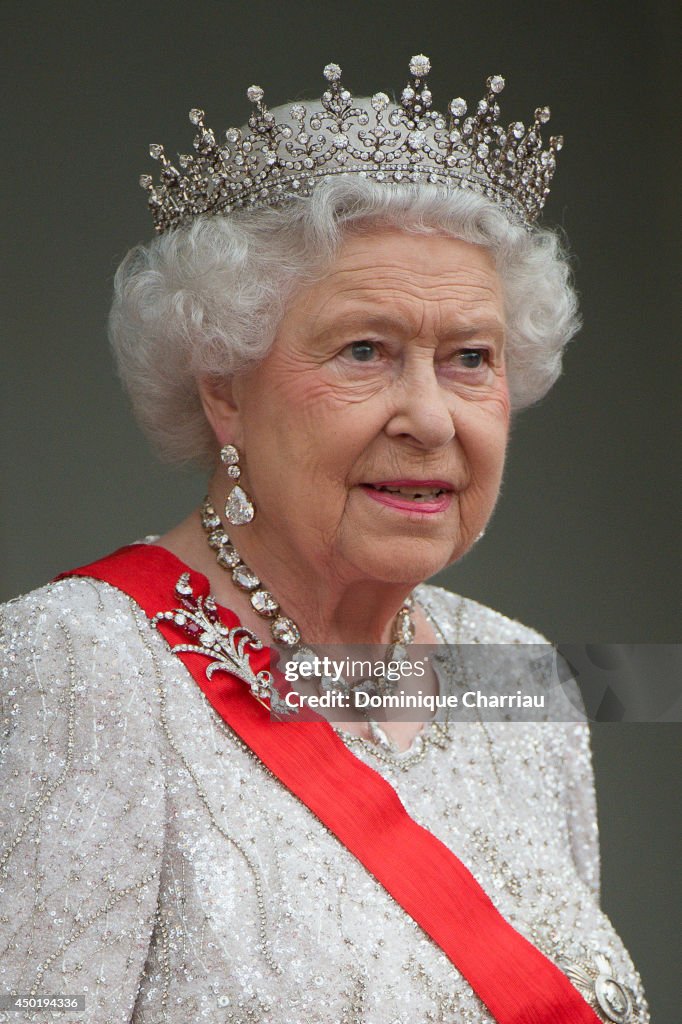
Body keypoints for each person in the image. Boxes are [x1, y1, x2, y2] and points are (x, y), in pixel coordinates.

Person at [0, 56, 648, 1023]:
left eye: (471, 359)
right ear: (223, 385)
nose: (431, 419)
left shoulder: (524, 678)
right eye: (364, 352)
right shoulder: (79, 665)